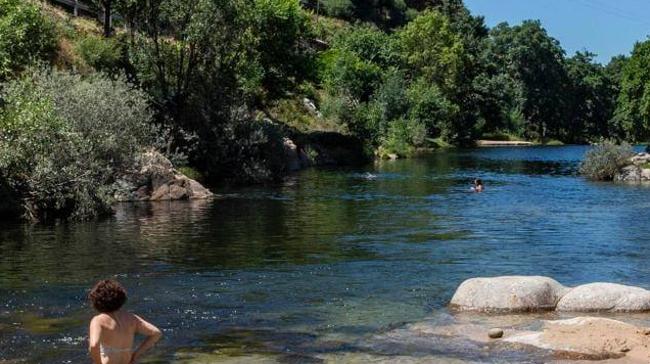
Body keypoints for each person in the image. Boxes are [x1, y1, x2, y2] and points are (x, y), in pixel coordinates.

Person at [88, 279, 162, 364]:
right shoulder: (132, 318)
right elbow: (156, 333)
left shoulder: (98, 320)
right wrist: (135, 355)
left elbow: (93, 345)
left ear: (96, 301)